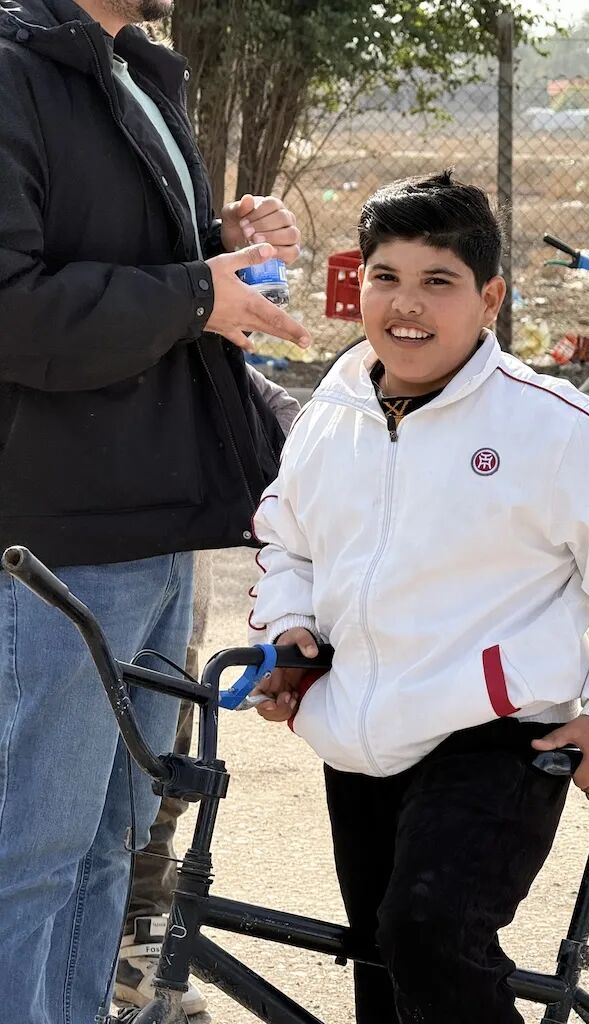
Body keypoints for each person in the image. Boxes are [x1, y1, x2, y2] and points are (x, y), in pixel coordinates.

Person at [247, 171, 589, 1024]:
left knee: (428, 934)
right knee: (385, 971)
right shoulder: (331, 416)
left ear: (489, 298)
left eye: (439, 281)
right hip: (359, 742)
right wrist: (291, 631)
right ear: (358, 283)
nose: (406, 304)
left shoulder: (554, 428)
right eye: (386, 277)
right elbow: (288, 541)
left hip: (495, 738)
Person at [0, 0, 309, 1020]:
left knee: (109, 849)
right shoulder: (12, 71)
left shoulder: (131, 68)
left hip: (156, 532)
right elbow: (13, 310)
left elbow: (125, 263)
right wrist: (194, 293)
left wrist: (215, 247)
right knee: (29, 858)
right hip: (58, 547)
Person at [116, 370, 300, 1017]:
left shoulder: (188, 340)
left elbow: (283, 421)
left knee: (158, 785)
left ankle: (138, 936)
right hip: (46, 601)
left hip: (167, 618)